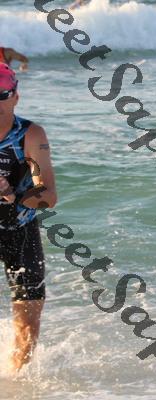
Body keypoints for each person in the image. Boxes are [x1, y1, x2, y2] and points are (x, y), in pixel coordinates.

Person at [0, 63, 57, 372]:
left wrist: (14, 198)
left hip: (20, 231)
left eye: (2, 95)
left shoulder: (30, 135)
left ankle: (15, 383)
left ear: (15, 97)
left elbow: (48, 194)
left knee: (28, 326)